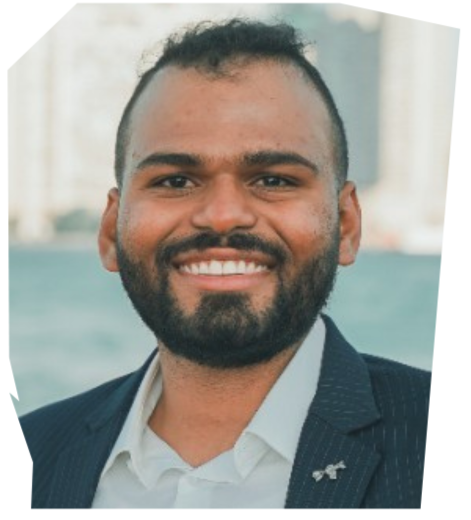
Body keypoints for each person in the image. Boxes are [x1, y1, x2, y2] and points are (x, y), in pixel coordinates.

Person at [19, 19, 431, 509]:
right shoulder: (27, 458)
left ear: (346, 225)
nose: (222, 215)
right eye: (176, 181)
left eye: (273, 180)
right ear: (110, 231)